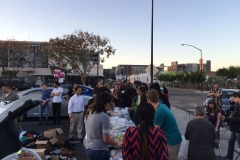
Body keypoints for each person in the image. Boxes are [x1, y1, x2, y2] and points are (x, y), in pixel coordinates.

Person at [146, 90, 182, 160]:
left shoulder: (159, 112)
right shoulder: (162, 105)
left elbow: (155, 131)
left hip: (171, 141)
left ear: (149, 100)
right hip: (173, 138)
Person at [85, 92, 121, 160]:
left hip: (89, 149)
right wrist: (116, 143)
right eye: (110, 103)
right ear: (106, 103)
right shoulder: (104, 116)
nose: (110, 106)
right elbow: (106, 140)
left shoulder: (92, 113)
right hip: (98, 151)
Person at [221, 92, 240, 160]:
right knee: (231, 141)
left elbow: (238, 119)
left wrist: (226, 119)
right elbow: (233, 114)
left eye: (233, 99)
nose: (233, 100)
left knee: (239, 145)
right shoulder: (237, 105)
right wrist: (226, 117)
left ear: (237, 97)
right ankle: (229, 157)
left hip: (238, 129)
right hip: (234, 128)